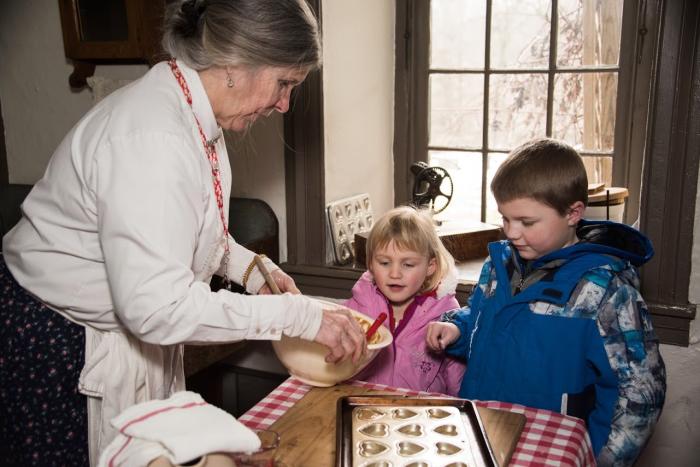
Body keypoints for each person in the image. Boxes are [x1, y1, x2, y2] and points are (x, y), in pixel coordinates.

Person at [0, 1, 366, 465]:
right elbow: (157, 307)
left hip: (102, 328)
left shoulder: (194, 115)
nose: (284, 104)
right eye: (284, 83)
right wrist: (297, 316)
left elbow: (186, 228)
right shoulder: (154, 138)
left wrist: (250, 267)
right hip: (56, 342)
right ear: (236, 63)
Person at [426, 138, 666, 466]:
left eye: (526, 222)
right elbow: (483, 322)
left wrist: (593, 458)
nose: (510, 231)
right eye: (505, 217)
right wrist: (458, 329)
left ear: (573, 213)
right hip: (481, 436)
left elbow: (639, 394)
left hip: (551, 451)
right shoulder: (497, 266)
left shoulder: (606, 291)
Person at [345, 206, 466, 395]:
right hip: (365, 407)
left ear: (430, 266)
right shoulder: (357, 306)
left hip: (421, 415)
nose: (394, 274)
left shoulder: (447, 315)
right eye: (384, 263)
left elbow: (457, 378)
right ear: (370, 264)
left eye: (408, 264)